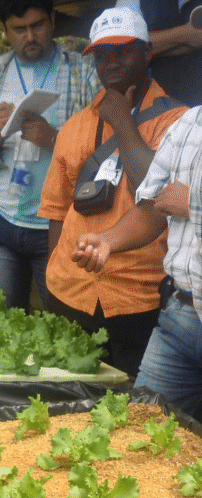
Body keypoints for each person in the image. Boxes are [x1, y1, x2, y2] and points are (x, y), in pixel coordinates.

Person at [41, 7, 187, 378]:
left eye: (123, 51)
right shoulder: (74, 126)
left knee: (134, 415)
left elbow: (157, 197)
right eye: (102, 55)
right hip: (70, 292)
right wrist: (51, 280)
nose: (111, 63)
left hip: (140, 297)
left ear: (148, 53)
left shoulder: (178, 121)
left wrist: (122, 120)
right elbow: (57, 213)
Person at [0, 0, 101, 312]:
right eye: (19, 29)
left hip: (60, 222)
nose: (30, 37)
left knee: (64, 325)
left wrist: (54, 138)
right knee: (4, 328)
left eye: (37, 25)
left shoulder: (83, 72)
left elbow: (106, 146)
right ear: (4, 31)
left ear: (52, 21)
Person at [72, 106, 202, 421]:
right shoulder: (190, 123)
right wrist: (108, 240)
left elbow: (180, 202)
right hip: (180, 319)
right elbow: (152, 208)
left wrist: (193, 202)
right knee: (142, 436)